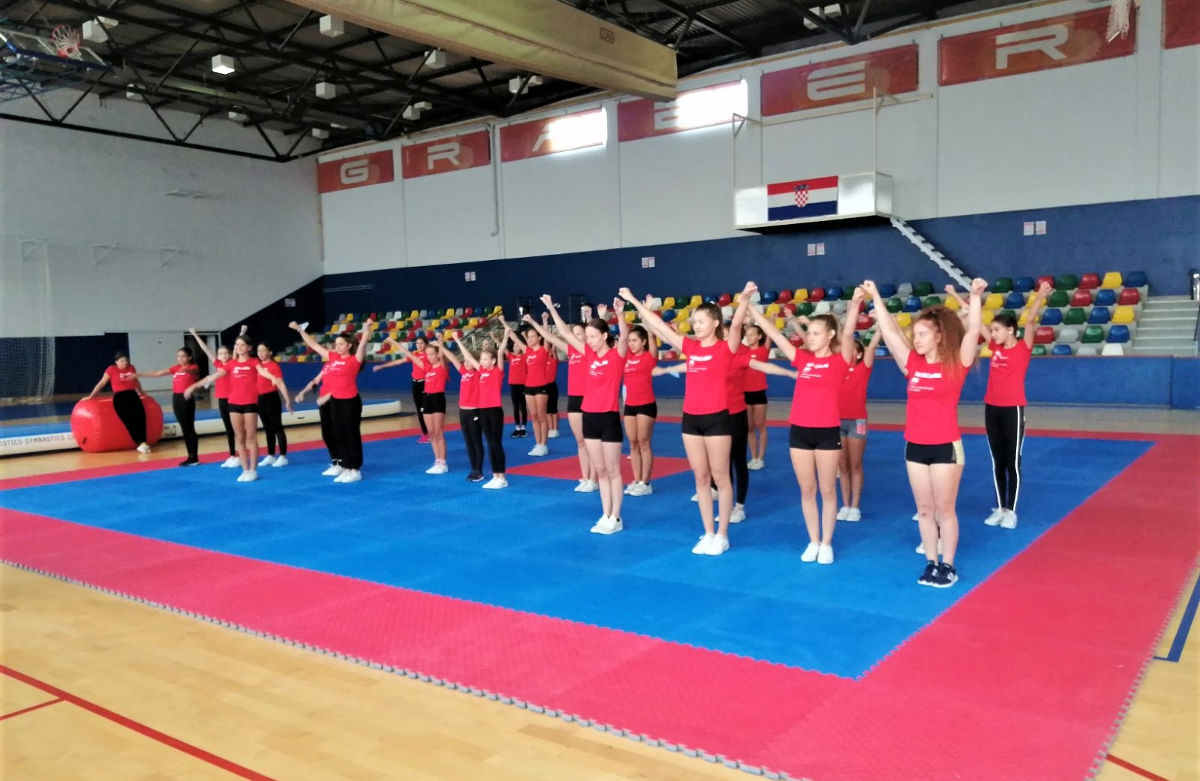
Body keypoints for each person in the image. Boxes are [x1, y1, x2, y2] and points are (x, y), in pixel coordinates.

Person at [863, 277, 986, 588]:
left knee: (945, 509)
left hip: (946, 446)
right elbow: (890, 331)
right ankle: (931, 563)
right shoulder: (913, 365)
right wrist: (876, 294)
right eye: (915, 334)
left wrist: (974, 298)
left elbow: (972, 331)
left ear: (939, 336)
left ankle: (948, 565)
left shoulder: (957, 362)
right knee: (924, 510)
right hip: (914, 447)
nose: (915, 340)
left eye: (922, 335)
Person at [619, 282, 753, 555]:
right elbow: (658, 326)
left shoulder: (726, 348)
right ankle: (707, 532)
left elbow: (737, 326)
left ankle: (723, 534)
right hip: (691, 420)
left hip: (717, 419)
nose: (696, 325)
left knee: (721, 477)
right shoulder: (691, 347)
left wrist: (745, 300)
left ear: (715, 323)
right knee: (701, 478)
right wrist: (633, 298)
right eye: (694, 321)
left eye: (702, 321)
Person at [745, 290, 862, 564]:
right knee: (807, 490)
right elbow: (775, 335)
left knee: (827, 490)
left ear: (830, 335)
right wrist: (751, 311)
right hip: (799, 431)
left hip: (826, 432)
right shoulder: (803, 359)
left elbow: (848, 335)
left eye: (816, 332)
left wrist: (855, 306)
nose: (810, 336)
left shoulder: (839, 361)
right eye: (809, 332)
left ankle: (827, 542)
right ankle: (813, 540)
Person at [541, 294, 628, 534]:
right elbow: (565, 333)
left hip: (608, 418)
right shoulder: (588, 355)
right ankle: (605, 513)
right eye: (587, 337)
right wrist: (550, 307)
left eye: (592, 337)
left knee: (613, 470)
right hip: (588, 416)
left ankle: (616, 517)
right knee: (600, 471)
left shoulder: (616, 356)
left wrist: (619, 314)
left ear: (604, 336)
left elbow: (624, 338)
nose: (588, 341)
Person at [981, 280, 1050, 529]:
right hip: (992, 407)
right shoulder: (995, 348)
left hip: (1013, 409)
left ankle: (1011, 510)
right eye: (993, 330)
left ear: (1010, 330)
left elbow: (1030, 322)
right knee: (997, 460)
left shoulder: (1023, 349)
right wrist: (964, 301)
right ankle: (1000, 507)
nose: (994, 333)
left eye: (997, 329)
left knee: (1012, 461)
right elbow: (978, 325)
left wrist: (1040, 296)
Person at [185, 334, 282, 482]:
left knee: (251, 437)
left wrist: (272, 378)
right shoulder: (231, 364)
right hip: (234, 404)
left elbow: (263, 371)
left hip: (250, 403)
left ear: (249, 348)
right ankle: (245, 469)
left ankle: (253, 470)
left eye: (242, 345)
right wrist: (194, 386)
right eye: (237, 345)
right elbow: (214, 376)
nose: (239, 347)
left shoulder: (254, 361)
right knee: (239, 438)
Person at [288, 318, 372, 482]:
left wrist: (367, 328)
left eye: (341, 344)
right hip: (335, 401)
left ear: (348, 345)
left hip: (350, 402)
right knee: (339, 434)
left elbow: (362, 345)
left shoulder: (354, 360)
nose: (337, 346)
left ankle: (354, 469)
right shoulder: (332, 357)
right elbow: (314, 345)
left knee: (351, 435)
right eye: (336, 344)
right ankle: (345, 466)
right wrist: (299, 329)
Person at [521, 308, 596, 492]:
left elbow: (599, 332)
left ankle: (594, 478)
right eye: (575, 333)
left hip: (591, 399)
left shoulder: (592, 351)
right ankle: (585, 476)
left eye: (581, 333)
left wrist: (589, 318)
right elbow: (553, 337)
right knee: (580, 441)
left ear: (587, 336)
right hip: (574, 399)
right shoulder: (571, 351)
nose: (577, 336)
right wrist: (535, 322)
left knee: (591, 441)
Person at [836, 328, 882, 522]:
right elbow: (839, 338)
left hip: (857, 422)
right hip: (836, 422)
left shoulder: (864, 367)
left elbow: (872, 346)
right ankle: (845, 504)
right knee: (842, 466)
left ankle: (855, 506)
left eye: (852, 349)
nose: (847, 352)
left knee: (855, 465)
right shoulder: (837, 368)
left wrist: (880, 327)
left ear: (859, 353)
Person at [138, 347, 201, 466]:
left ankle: (194, 456)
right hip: (176, 398)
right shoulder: (175, 368)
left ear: (189, 357)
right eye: (178, 356)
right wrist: (140, 374)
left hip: (186, 398)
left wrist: (186, 371)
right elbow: (158, 373)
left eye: (183, 356)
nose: (180, 359)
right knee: (184, 427)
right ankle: (190, 456)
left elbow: (195, 374)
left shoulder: (193, 367)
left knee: (189, 427)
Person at [189, 327, 241, 468]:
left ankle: (241, 455)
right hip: (222, 399)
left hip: (233, 399)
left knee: (236, 428)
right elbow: (206, 350)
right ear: (218, 356)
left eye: (225, 353)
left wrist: (241, 332)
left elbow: (237, 348)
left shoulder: (232, 363)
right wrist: (195, 334)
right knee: (228, 429)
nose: (223, 355)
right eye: (220, 353)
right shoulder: (217, 364)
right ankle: (232, 455)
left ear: (230, 354)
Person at [467, 326, 510, 489]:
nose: (482, 362)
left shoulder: (497, 372)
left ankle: (502, 476)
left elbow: (500, 352)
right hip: (483, 410)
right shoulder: (481, 372)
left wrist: (505, 336)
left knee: (496, 443)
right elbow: (469, 359)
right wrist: (458, 342)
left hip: (494, 411)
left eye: (485, 359)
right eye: (482, 359)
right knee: (489, 442)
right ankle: (495, 475)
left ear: (492, 361)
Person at [86, 351, 151, 454]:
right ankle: (140, 442)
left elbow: (136, 381)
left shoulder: (131, 368)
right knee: (129, 420)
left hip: (132, 395)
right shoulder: (111, 370)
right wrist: (91, 396)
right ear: (116, 362)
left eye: (126, 360)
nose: (124, 363)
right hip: (120, 398)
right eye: (121, 361)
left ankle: (143, 442)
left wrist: (142, 392)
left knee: (140, 417)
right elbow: (101, 383)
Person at [621, 320, 658, 497]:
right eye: (630, 341)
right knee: (633, 443)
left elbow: (652, 335)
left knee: (644, 442)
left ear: (643, 341)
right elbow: (620, 339)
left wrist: (647, 319)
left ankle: (645, 482)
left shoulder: (649, 357)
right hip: (630, 405)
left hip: (646, 404)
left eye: (635, 340)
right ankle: (636, 480)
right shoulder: (626, 357)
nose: (631, 344)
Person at [442, 332, 484, 482]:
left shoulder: (479, 373)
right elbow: (453, 359)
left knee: (476, 440)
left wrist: (457, 340)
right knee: (468, 441)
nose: (466, 363)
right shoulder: (464, 372)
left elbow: (471, 358)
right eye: (465, 361)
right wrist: (442, 346)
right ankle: (473, 468)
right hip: (463, 411)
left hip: (474, 410)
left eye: (468, 361)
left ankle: (479, 470)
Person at [374, 334, 431, 443]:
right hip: (415, 384)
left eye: (421, 343)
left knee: (425, 409)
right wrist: (382, 366)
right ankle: (425, 433)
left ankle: (431, 432)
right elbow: (398, 361)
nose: (419, 345)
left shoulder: (429, 355)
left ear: (426, 344)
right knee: (419, 410)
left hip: (425, 383)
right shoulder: (414, 354)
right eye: (417, 343)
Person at [295, 368, 341, 475]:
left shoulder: (341, 365)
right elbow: (315, 380)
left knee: (337, 433)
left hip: (336, 401)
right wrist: (303, 392)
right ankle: (335, 461)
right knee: (326, 434)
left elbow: (342, 384)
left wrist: (326, 397)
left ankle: (342, 462)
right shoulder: (328, 365)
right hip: (324, 403)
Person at [255, 343, 293, 468]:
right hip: (260, 399)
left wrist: (287, 400)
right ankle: (271, 455)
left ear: (270, 352)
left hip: (271, 398)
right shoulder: (257, 365)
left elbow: (281, 384)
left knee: (277, 426)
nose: (260, 353)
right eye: (258, 350)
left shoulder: (274, 366)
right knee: (267, 428)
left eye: (263, 350)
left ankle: (283, 456)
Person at [520, 321, 552, 456]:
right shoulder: (527, 351)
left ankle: (544, 445)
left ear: (539, 338)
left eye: (533, 336)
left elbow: (547, 336)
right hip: (528, 386)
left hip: (541, 386)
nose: (530, 338)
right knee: (533, 416)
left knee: (541, 415)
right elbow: (515, 339)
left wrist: (544, 321)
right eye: (529, 336)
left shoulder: (544, 350)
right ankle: (537, 443)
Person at [743, 322, 771, 470]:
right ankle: (753, 457)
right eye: (747, 335)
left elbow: (771, 333)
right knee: (749, 427)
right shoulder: (743, 351)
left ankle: (761, 458)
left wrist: (770, 322)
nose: (749, 337)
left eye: (752, 334)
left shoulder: (763, 350)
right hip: (745, 393)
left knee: (761, 426)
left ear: (759, 336)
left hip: (759, 393)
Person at [503, 326, 529, 438]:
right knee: (515, 406)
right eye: (514, 346)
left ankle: (524, 427)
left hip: (523, 384)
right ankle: (517, 427)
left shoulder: (525, 357)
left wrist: (523, 337)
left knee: (523, 406)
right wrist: (497, 339)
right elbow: (503, 349)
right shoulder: (511, 357)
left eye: (518, 345)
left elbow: (527, 348)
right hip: (513, 384)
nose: (516, 347)